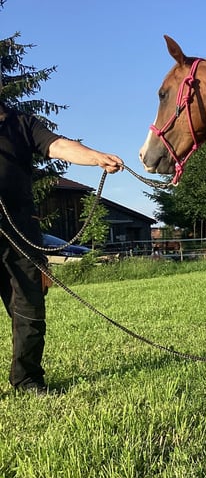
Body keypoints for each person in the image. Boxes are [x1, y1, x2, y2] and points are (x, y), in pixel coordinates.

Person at [0, 75, 123, 395]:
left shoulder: (21, 124)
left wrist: (95, 156)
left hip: (20, 232)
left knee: (29, 308)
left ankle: (27, 380)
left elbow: (59, 145)